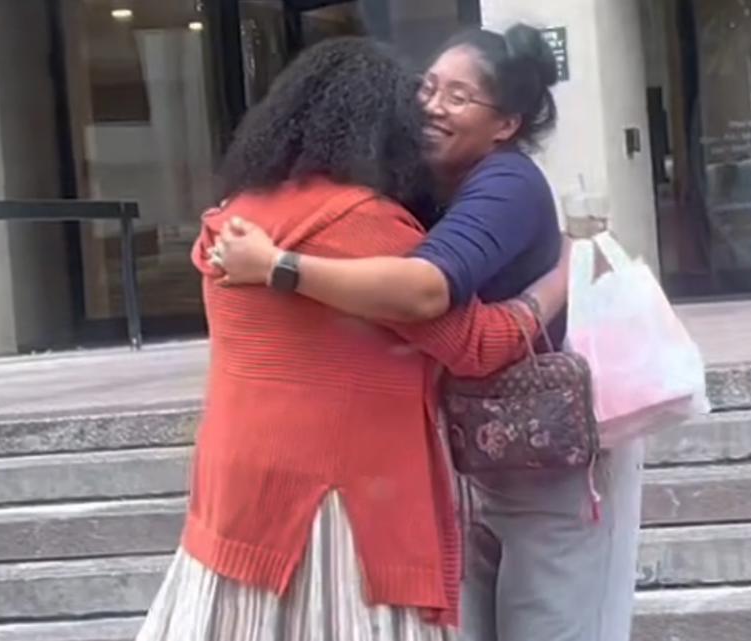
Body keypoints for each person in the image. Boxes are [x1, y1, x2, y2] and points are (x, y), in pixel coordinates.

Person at [212, 25, 643, 641]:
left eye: (460, 98)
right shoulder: (408, 188)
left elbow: (425, 291)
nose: (433, 107)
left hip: (552, 455)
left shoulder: (506, 183)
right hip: (475, 453)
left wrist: (279, 267)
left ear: (506, 125)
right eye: (429, 88)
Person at [135, 37, 570, 641]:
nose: (428, 114)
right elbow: (473, 341)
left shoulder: (239, 211)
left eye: (456, 95)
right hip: (336, 499)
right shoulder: (360, 224)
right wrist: (556, 284)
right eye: (421, 98)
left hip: (235, 488)